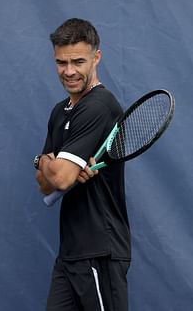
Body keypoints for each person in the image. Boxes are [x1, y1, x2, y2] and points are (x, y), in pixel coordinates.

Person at [34, 18, 131, 311]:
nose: (69, 71)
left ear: (96, 57)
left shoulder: (98, 106)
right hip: (70, 253)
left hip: (99, 249)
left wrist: (48, 164)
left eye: (78, 61)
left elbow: (60, 179)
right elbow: (42, 184)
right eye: (61, 63)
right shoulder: (60, 111)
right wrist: (42, 162)